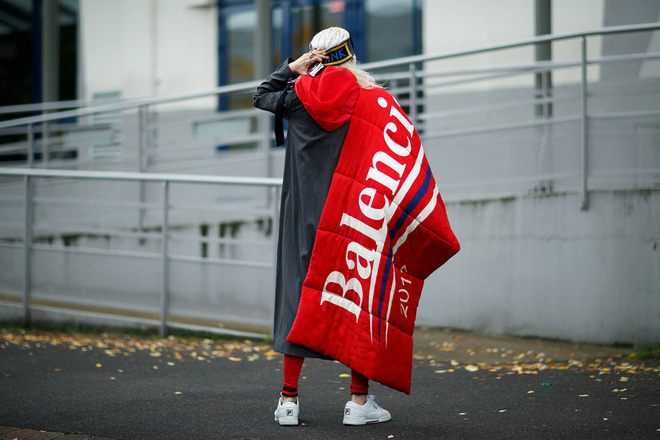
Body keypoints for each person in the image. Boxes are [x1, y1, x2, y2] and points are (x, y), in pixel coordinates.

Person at [253, 27, 392, 426]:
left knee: (297, 299)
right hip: (351, 216)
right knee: (355, 300)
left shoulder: (296, 96)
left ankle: (289, 402)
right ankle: (358, 403)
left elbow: (262, 94)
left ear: (316, 58)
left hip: (301, 217)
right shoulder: (368, 100)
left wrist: (292, 67)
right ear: (348, 56)